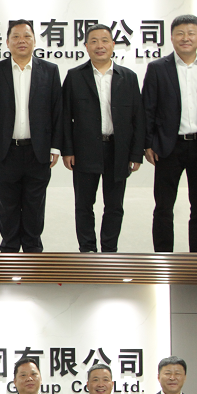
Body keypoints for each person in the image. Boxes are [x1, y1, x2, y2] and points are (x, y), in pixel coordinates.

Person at [142, 14, 197, 252]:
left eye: (191, 33)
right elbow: (148, 109)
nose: (186, 38)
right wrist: (147, 144)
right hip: (168, 147)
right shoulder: (157, 68)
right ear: (171, 38)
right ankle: (163, 256)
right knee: (163, 207)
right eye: (180, 33)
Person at [61, 24, 145, 253]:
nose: (100, 46)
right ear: (86, 46)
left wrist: (136, 153)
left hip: (118, 150)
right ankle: (87, 249)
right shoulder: (75, 76)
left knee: (115, 205)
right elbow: (65, 117)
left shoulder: (128, 77)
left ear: (113, 45)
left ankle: (109, 250)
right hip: (84, 150)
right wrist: (67, 150)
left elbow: (138, 118)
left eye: (105, 40)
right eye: (94, 41)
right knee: (84, 205)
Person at [0, 20, 62, 253]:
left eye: (27, 36)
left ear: (35, 41)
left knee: (34, 206)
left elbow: (57, 111)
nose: (21, 41)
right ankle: (8, 250)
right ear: (7, 42)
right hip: (6, 150)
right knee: (7, 205)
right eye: (16, 37)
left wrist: (55, 147)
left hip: (39, 151)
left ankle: (32, 251)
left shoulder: (50, 70)